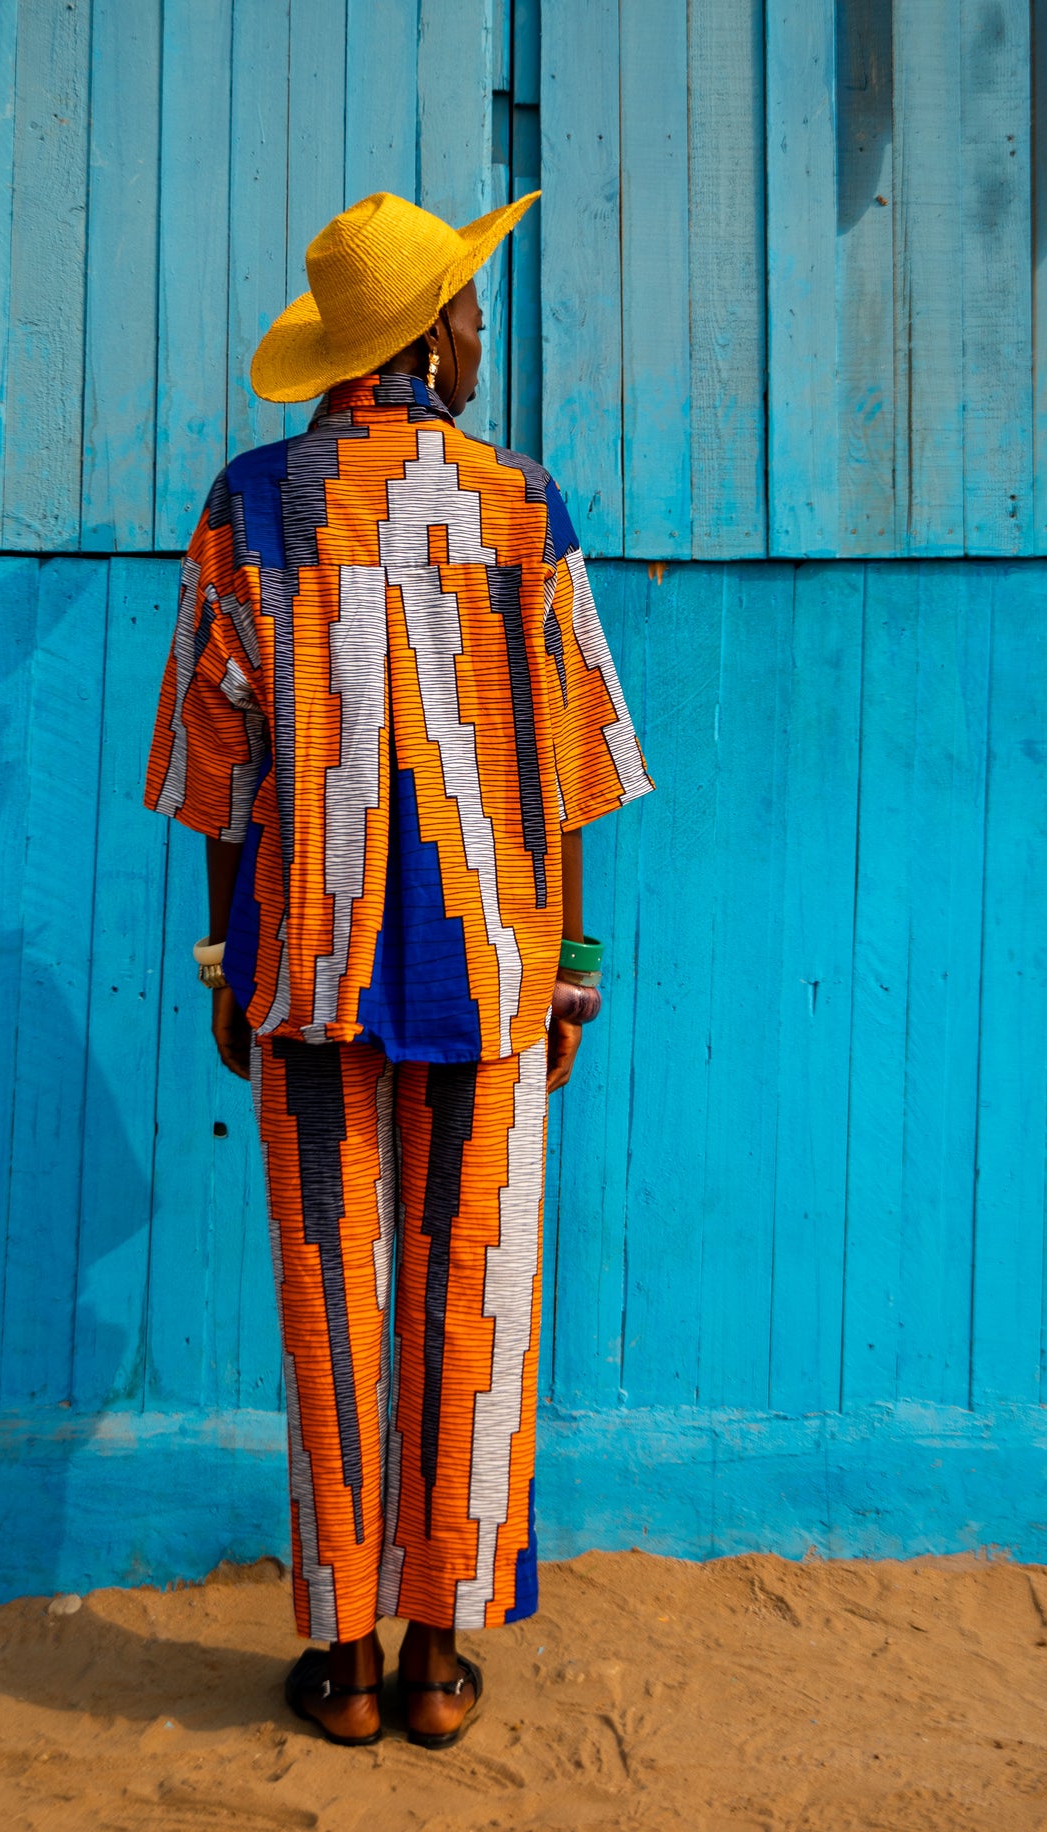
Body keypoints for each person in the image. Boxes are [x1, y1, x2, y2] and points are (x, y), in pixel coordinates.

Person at [143, 189, 652, 1748]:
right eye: (471, 308)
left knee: (330, 1304)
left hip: (305, 975)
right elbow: (573, 768)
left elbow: (217, 780)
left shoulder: (249, 506)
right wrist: (566, 964)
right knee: (477, 1307)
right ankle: (439, 1662)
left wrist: (235, 968)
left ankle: (346, 1667)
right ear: (425, 335)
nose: (482, 331)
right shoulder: (524, 505)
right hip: (492, 978)